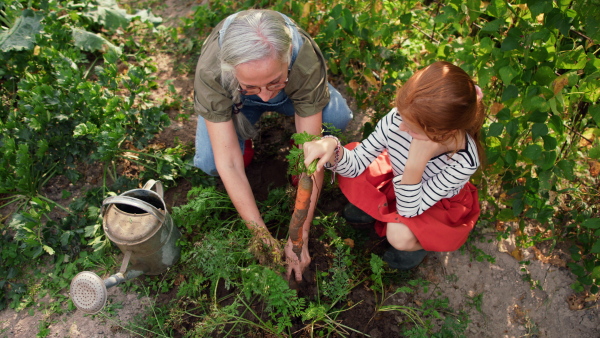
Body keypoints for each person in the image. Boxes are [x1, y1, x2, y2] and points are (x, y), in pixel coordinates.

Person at [192, 9, 353, 282]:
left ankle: (292, 147)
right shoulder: (212, 71)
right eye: (254, 86)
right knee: (211, 163)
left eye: (274, 82)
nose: (266, 97)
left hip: (291, 92)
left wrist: (299, 235)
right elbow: (227, 161)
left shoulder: (303, 60)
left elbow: (313, 154)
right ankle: (244, 133)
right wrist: (261, 237)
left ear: (288, 54)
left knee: (337, 118)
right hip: (238, 101)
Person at [303, 61, 485, 269]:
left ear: (444, 134)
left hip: (431, 204)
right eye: (401, 115)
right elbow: (356, 163)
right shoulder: (399, 119)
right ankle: (377, 209)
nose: (400, 126)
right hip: (399, 178)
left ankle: (419, 246)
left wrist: (416, 163)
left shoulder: (463, 161)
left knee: (398, 236)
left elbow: (410, 210)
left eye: (412, 128)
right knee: (356, 168)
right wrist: (331, 147)